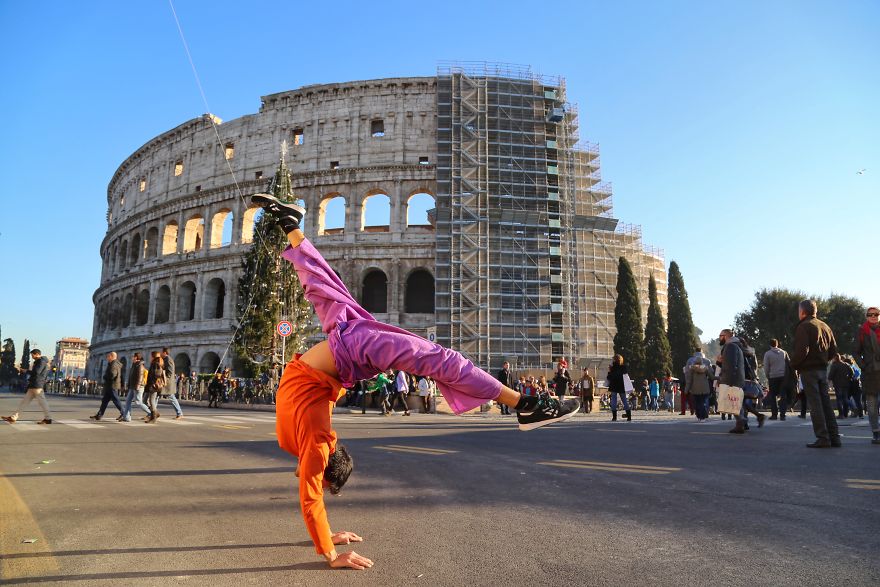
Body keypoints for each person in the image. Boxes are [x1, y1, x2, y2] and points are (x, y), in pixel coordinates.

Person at [251, 194, 578, 570]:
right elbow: (308, 480)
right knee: (320, 284)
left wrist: (329, 554)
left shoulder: (318, 444)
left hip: (352, 351)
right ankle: (290, 224)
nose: (318, 486)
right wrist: (328, 535)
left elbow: (309, 494)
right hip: (339, 348)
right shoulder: (298, 442)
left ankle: (526, 405)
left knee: (441, 360)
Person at [790, 299, 841, 448]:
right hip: (822, 369)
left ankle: (823, 437)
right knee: (826, 404)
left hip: (809, 370)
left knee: (815, 405)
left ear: (802, 312)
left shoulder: (804, 326)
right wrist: (823, 360)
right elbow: (833, 350)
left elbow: (802, 351)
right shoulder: (825, 326)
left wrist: (793, 365)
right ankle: (835, 437)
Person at [2, 348, 52, 424]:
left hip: (37, 385)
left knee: (42, 402)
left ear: (37, 354)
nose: (32, 356)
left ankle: (48, 418)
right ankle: (13, 417)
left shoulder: (41, 361)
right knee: (24, 402)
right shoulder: (39, 361)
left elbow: (36, 372)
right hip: (33, 385)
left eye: (32, 355)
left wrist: (26, 371)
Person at [854, 306, 880, 444]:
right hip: (870, 372)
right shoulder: (862, 331)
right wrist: (863, 366)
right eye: (870, 314)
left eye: (876, 314)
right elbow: (856, 352)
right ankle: (876, 432)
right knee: (871, 405)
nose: (873, 316)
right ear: (866, 316)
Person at [91, 352, 125, 421]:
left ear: (112, 357)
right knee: (105, 401)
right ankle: (99, 415)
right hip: (110, 385)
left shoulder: (113, 364)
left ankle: (124, 413)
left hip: (112, 385)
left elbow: (113, 375)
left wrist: (105, 376)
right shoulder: (114, 363)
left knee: (116, 400)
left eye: (108, 357)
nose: (107, 358)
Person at [762, 339, 790, 420]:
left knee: (773, 396)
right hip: (783, 376)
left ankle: (774, 414)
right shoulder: (783, 353)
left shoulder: (767, 354)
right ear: (777, 344)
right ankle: (783, 415)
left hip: (773, 376)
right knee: (783, 395)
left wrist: (768, 375)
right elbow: (788, 363)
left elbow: (766, 367)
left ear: (770, 345)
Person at [120, 352, 151, 422]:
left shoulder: (139, 365)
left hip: (138, 386)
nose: (131, 358)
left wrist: (137, 386)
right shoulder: (134, 365)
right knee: (128, 401)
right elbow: (131, 376)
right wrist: (129, 385)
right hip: (132, 386)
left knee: (138, 402)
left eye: (133, 356)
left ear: (136, 357)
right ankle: (127, 417)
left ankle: (151, 413)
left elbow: (140, 376)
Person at [685, 351, 713, 421]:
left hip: (695, 388)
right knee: (703, 402)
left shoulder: (692, 369)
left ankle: (698, 416)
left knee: (697, 403)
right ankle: (703, 416)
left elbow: (689, 380)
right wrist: (719, 378)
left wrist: (687, 389)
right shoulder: (705, 368)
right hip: (705, 388)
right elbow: (711, 376)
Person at [159, 348, 183, 419]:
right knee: (156, 397)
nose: (160, 353)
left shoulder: (168, 359)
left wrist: (165, 378)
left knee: (171, 397)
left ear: (165, 352)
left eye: (161, 352)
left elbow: (170, 371)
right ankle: (151, 413)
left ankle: (179, 413)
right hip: (165, 382)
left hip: (167, 383)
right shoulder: (166, 359)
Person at [828, 353, 854, 419]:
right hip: (846, 384)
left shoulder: (834, 365)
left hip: (837, 384)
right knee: (845, 398)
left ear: (835, 358)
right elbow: (852, 372)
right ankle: (853, 407)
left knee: (839, 399)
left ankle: (841, 414)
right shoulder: (846, 364)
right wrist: (848, 378)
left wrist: (830, 380)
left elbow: (830, 376)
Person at [606, 354, 631, 422]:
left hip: (614, 386)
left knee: (613, 401)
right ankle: (629, 416)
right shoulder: (624, 367)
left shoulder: (613, 368)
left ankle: (614, 417)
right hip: (622, 386)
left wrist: (610, 371)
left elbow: (610, 377)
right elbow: (626, 375)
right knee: (624, 400)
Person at [144, 352, 167, 423]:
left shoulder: (156, 364)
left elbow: (157, 374)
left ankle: (154, 417)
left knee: (151, 401)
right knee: (145, 400)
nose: (150, 358)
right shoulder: (157, 363)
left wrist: (153, 382)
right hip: (151, 385)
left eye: (151, 356)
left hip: (153, 385)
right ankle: (155, 414)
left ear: (153, 357)